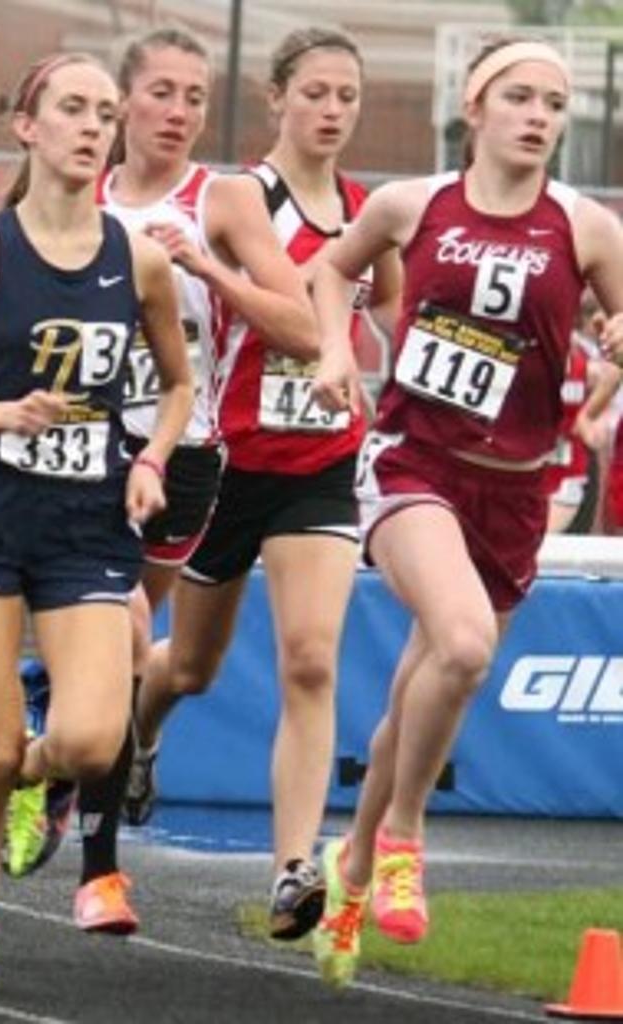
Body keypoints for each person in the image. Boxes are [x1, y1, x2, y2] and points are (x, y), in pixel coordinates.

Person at [306, 38, 623, 988]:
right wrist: (335, 351)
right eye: (519, 97)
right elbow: (330, 272)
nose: (539, 116)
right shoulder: (412, 205)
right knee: (464, 641)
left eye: (555, 103)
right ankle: (404, 834)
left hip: (517, 487)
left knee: (430, 682)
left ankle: (351, 867)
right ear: (474, 108)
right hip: (415, 464)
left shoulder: (587, 227)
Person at [0, 52, 193, 991]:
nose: (94, 127)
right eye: (74, 109)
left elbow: (179, 385)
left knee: (90, 743)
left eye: (106, 112)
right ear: (27, 127)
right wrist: (4, 413)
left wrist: (151, 459)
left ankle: (39, 781)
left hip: (87, 523)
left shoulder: (139, 260)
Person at [122, 26, 400, 943]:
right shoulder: (238, 198)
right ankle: (141, 731)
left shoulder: (368, 213)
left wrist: (376, 373)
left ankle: (291, 867)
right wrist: (222, 277)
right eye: (315, 93)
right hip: (229, 460)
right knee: (191, 667)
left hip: (319, 465)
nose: (332, 111)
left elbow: (393, 312)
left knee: (311, 658)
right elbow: (291, 317)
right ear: (277, 98)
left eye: (347, 96)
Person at [48, 25, 319, 935]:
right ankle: (101, 872)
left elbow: (303, 328)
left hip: (182, 456)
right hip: (79, 452)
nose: (178, 111)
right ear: (123, 100)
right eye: (161, 92)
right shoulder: (72, 185)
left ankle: (61, 762)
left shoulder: (223, 199)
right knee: (122, 632)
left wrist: (205, 265)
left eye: (195, 97)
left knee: (150, 663)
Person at [544, 296, 620, 533]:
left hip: (566, 475)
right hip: (523, 469)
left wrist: (587, 416)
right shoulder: (526, 355)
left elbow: (612, 374)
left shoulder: (582, 360)